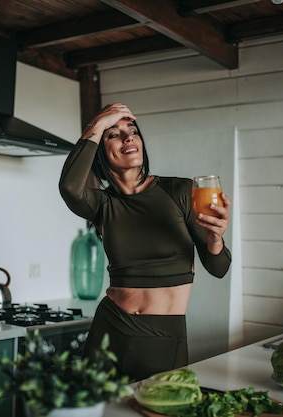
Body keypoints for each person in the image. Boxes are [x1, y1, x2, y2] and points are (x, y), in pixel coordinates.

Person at [59, 103, 232, 381]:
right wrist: (97, 123)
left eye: (133, 131)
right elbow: (70, 187)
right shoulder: (103, 204)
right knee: (97, 412)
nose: (128, 138)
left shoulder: (180, 191)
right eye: (113, 134)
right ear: (101, 152)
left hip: (162, 335)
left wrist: (215, 239)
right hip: (110, 327)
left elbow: (219, 267)